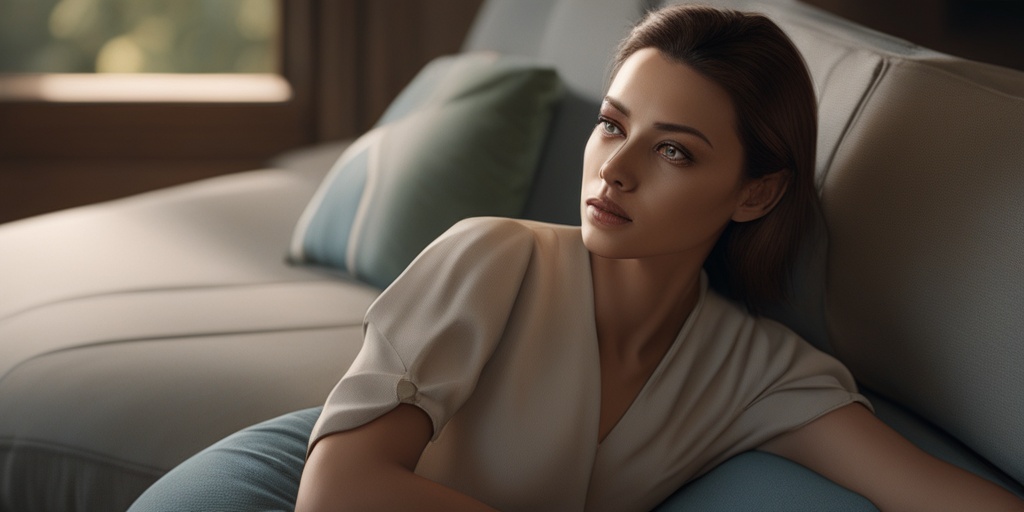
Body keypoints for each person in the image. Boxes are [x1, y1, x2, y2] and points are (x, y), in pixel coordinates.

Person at [295, 5, 1024, 511]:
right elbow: (339, 494)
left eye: (673, 149)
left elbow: (929, 491)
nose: (616, 169)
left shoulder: (757, 372)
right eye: (613, 125)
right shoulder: (491, 258)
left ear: (756, 193)